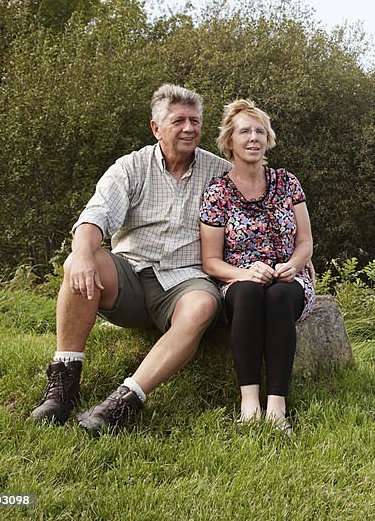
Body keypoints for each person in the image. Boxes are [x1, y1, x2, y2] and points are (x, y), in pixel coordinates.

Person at [31, 84, 232, 436]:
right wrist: (81, 253)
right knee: (80, 260)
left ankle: (125, 400)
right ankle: (64, 381)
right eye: (179, 120)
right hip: (130, 275)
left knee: (202, 306)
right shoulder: (130, 167)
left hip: (187, 280)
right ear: (156, 128)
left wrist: (297, 253)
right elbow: (96, 215)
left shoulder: (221, 172)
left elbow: (261, 210)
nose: (189, 128)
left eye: (195, 121)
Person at [199, 99, 314, 434]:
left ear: (268, 138)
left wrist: (293, 265)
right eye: (245, 132)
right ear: (229, 141)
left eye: (260, 131)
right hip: (239, 276)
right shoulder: (218, 192)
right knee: (249, 294)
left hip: (288, 277)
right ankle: (249, 404)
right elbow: (211, 261)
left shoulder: (287, 183)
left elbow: (306, 243)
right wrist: (245, 273)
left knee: (279, 297)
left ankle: (277, 406)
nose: (253, 138)